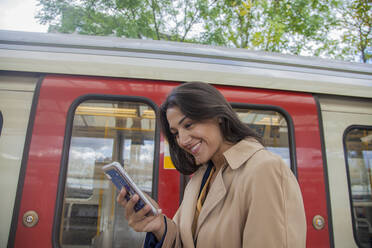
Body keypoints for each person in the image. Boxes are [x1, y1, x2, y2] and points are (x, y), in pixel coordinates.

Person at [117, 82, 307, 247]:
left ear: (218, 116)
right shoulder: (201, 178)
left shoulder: (264, 169)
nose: (182, 140)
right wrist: (158, 225)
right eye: (175, 133)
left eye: (189, 125)